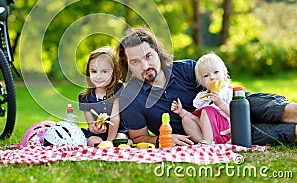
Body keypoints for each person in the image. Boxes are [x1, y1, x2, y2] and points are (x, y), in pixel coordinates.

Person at [117, 26, 297, 146]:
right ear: (128, 67)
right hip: (217, 135)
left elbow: (220, 81)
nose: (145, 65)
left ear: (157, 52)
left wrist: (229, 109)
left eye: (148, 56)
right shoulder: (130, 98)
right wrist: (163, 139)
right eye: (135, 62)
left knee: (279, 110)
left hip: (233, 103)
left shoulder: (186, 69)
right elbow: (138, 137)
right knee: (287, 133)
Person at [171, 52, 232, 144]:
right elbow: (197, 120)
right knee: (187, 118)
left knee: (207, 110)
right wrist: (181, 112)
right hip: (206, 133)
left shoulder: (227, 92)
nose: (212, 77)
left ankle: (208, 142)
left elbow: (236, 116)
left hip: (225, 132)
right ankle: (202, 143)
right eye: (206, 76)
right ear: (202, 82)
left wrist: (220, 103)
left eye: (216, 72)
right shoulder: (200, 97)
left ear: (224, 73)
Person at [78, 46, 129, 146]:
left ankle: (121, 144)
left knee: (120, 139)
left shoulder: (117, 90)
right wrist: (96, 129)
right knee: (93, 141)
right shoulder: (85, 98)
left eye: (104, 71)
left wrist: (109, 141)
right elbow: (91, 124)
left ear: (114, 73)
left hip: (117, 130)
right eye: (94, 71)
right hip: (98, 134)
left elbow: (115, 118)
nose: (98, 76)